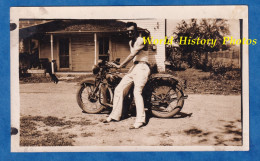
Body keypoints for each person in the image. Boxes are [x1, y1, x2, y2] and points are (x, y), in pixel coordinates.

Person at [103, 22, 150, 129]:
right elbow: (132, 57)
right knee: (119, 89)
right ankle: (115, 115)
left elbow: (133, 54)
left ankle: (140, 120)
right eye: (128, 31)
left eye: (132, 31)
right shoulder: (130, 42)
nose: (129, 32)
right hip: (134, 67)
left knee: (137, 92)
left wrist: (121, 66)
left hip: (142, 67)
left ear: (136, 31)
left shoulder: (141, 40)